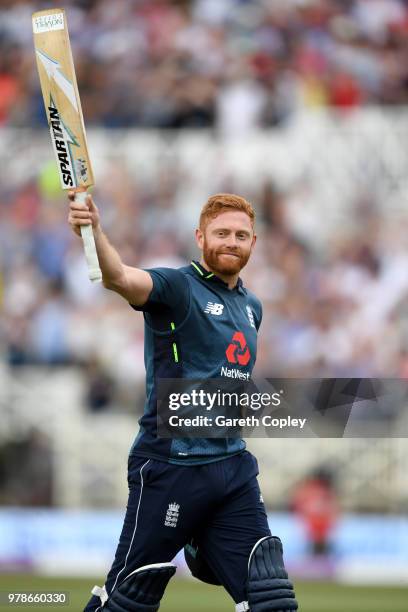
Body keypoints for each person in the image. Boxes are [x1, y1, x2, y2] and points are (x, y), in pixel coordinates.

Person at [68, 191, 298, 612]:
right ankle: (194, 538)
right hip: (172, 467)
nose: (232, 241)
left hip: (232, 469)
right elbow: (118, 275)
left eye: (241, 235)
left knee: (273, 601)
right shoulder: (178, 287)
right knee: (128, 601)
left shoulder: (252, 308)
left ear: (254, 243)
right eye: (222, 233)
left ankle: (203, 543)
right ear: (200, 237)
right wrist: (94, 229)